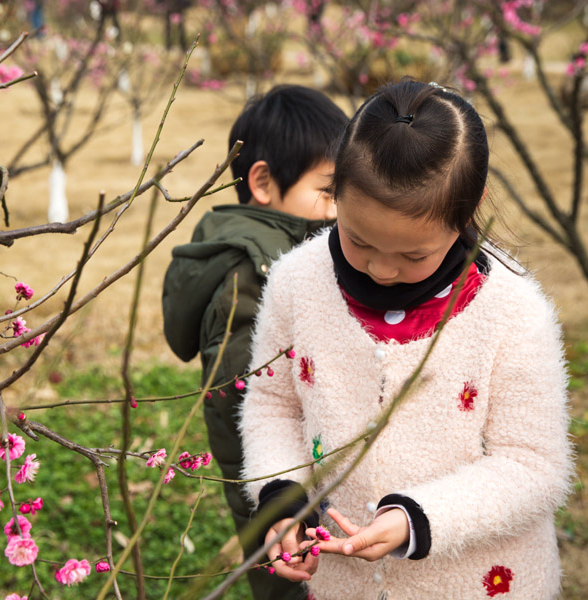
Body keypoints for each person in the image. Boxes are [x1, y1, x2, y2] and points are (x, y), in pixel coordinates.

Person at [238, 79, 574, 600]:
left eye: (414, 255)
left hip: (482, 584)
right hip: (343, 587)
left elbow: (534, 465)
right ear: (336, 190)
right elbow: (274, 407)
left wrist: (418, 518)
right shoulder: (296, 283)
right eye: (358, 240)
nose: (381, 267)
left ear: (468, 208)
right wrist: (280, 498)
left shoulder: (511, 310)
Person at [161, 84, 349, 599]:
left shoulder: (285, 252)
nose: (343, 209)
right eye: (330, 191)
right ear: (263, 181)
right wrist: (283, 509)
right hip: (285, 510)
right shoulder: (256, 275)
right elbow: (253, 403)